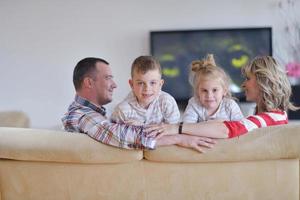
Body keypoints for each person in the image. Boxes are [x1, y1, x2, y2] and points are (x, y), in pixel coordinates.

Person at [62, 57, 215, 152]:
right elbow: (118, 134)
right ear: (89, 82)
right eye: (108, 78)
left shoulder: (89, 113)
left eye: (153, 83)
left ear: (161, 83)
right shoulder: (81, 115)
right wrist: (179, 139)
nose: (114, 85)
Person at [146, 56, 300, 139]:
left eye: (248, 78)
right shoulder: (268, 115)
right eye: (204, 90)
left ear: (262, 83)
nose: (243, 85)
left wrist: (176, 128)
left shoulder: (273, 118)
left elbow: (229, 129)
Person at [111, 56, 180, 125]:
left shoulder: (167, 102)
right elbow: (112, 133)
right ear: (132, 84)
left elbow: (174, 132)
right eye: (140, 83)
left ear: (160, 84)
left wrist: (142, 127)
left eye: (153, 83)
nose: (147, 88)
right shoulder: (122, 111)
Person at [183, 54, 244, 122]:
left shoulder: (230, 106)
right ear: (197, 91)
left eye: (214, 90)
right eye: (204, 90)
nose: (209, 95)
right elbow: (187, 127)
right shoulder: (194, 104)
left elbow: (241, 127)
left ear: (224, 91)